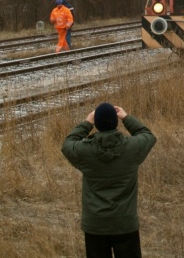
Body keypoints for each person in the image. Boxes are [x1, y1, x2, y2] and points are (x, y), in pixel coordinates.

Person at [62, 103, 157, 258]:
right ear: (116, 122)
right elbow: (147, 135)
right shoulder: (132, 148)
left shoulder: (85, 151)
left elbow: (67, 144)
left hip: (95, 224)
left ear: (96, 124)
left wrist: (87, 123)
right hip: (125, 222)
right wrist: (126, 118)